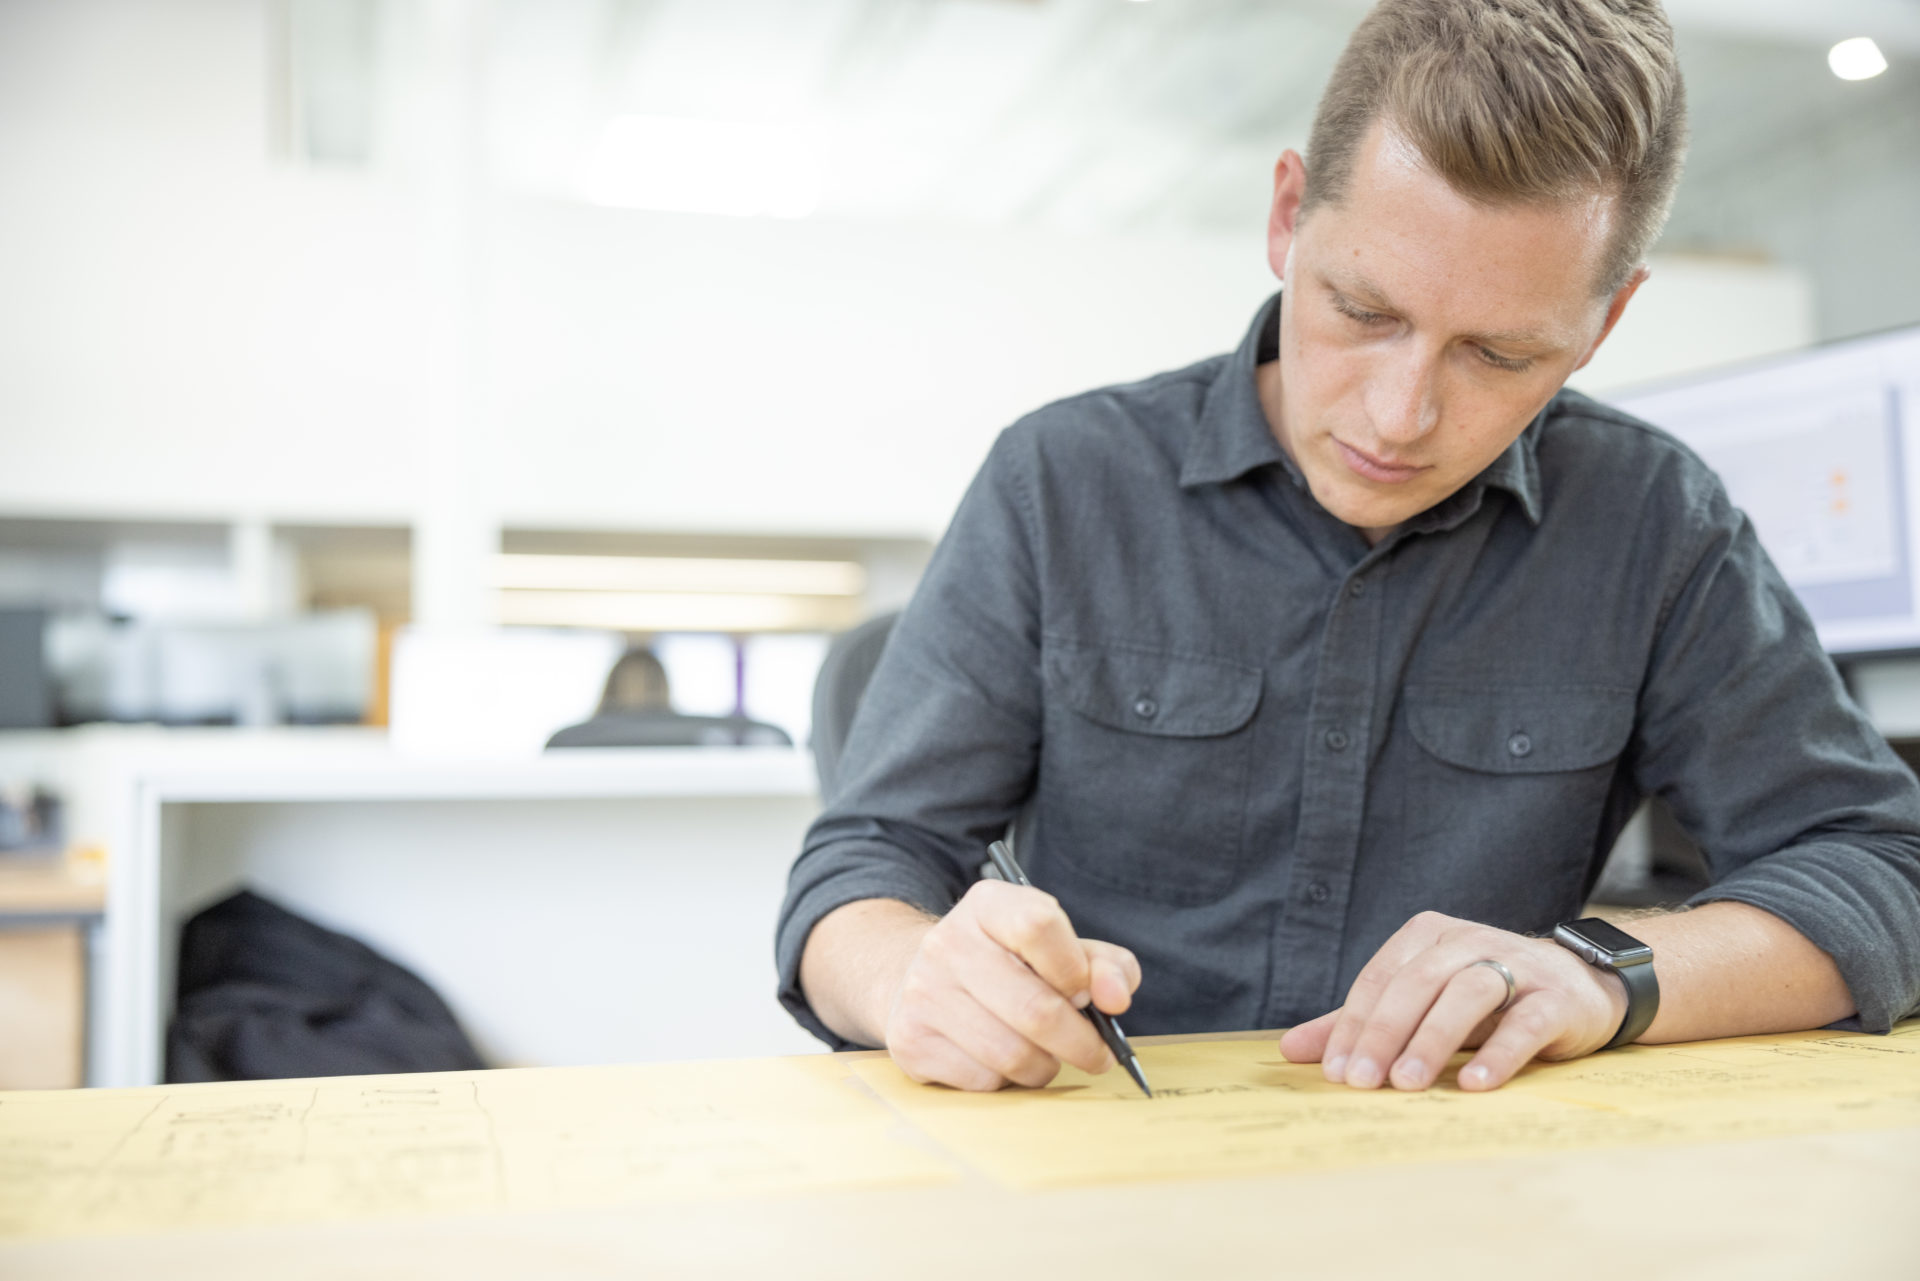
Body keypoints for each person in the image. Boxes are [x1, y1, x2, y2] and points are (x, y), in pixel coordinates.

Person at [776, 0, 1920, 1095]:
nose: (1399, 416)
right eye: (1364, 313)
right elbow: (862, 866)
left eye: (1500, 355)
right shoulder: (1061, 481)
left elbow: (1886, 869)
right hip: (1104, 1153)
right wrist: (910, 976)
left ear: (1603, 323)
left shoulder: (1654, 521)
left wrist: (1600, 970)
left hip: (1459, 1176)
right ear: (1287, 216)